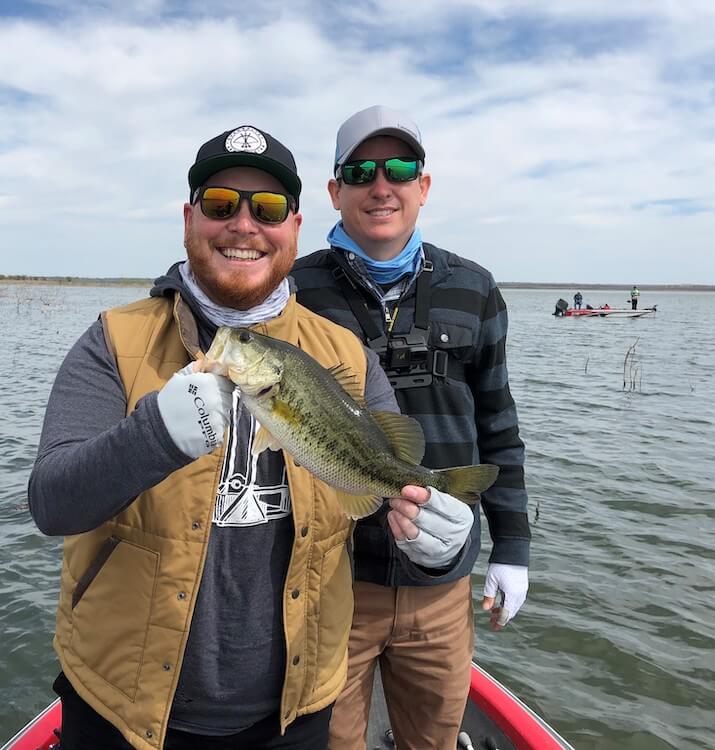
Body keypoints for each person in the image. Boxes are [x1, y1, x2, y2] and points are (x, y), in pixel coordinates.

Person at [27, 124, 475, 750]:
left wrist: (439, 544)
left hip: (295, 715)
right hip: (122, 709)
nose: (243, 225)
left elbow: (376, 489)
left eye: (266, 209)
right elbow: (51, 503)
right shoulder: (112, 341)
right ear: (189, 218)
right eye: (219, 205)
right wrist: (150, 435)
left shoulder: (344, 355)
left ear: (294, 226)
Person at [291, 105, 531, 750]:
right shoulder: (292, 288)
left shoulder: (474, 288)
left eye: (400, 168)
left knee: (434, 737)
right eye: (361, 170)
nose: (381, 185)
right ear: (335, 190)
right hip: (327, 582)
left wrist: (511, 547)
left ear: (423, 186)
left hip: (440, 588)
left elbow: (499, 426)